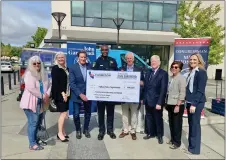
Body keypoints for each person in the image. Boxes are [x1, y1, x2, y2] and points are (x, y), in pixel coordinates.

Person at [20, 55, 51, 150]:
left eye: (38, 63)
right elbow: (30, 88)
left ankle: (36, 140)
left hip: (42, 101)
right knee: (33, 123)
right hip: (31, 102)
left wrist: (47, 95)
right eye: (34, 63)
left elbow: (49, 84)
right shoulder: (29, 74)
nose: (37, 65)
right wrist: (42, 96)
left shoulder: (43, 73)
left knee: (38, 122)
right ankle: (32, 144)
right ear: (31, 64)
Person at [93, 45, 118, 140]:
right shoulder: (97, 62)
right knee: (101, 114)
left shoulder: (113, 61)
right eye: (103, 50)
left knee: (111, 113)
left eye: (106, 50)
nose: (104, 51)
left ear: (108, 51)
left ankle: (110, 131)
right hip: (100, 93)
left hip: (111, 93)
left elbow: (117, 74)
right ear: (100, 51)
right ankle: (101, 131)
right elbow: (93, 76)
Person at [118, 52, 144, 140]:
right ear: (126, 59)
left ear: (133, 59)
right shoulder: (121, 69)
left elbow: (143, 82)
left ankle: (133, 131)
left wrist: (141, 83)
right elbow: (117, 80)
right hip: (124, 96)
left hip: (134, 96)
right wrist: (120, 74)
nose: (129, 60)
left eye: (130, 58)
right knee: (124, 114)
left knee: (134, 114)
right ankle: (125, 130)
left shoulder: (139, 69)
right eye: (127, 58)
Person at [185, 53, 207, 155]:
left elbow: (200, 90)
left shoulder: (201, 72)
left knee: (195, 125)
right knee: (191, 124)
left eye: (194, 60)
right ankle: (191, 146)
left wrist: (194, 104)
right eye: (191, 60)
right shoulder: (192, 72)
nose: (192, 61)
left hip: (196, 103)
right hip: (190, 102)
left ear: (199, 61)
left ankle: (194, 149)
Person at [143, 55, 168, 144]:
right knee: (149, 118)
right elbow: (145, 87)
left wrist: (160, 103)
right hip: (148, 100)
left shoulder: (163, 73)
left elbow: (163, 90)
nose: (153, 63)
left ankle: (160, 135)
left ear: (159, 63)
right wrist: (143, 98)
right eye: (152, 61)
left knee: (158, 119)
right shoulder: (148, 72)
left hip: (157, 101)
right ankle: (150, 133)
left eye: (155, 61)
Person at [69, 50, 92, 139]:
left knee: (88, 113)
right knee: (76, 114)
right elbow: (72, 83)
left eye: (84, 57)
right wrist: (80, 94)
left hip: (88, 94)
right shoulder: (73, 68)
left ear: (86, 58)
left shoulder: (90, 67)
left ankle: (86, 129)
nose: (83, 59)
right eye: (81, 57)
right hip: (77, 95)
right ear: (78, 58)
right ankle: (78, 130)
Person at [166, 61, 186, 149]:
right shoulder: (170, 78)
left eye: (176, 67)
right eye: (172, 67)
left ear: (180, 69)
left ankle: (177, 142)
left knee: (177, 124)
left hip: (177, 105)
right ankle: (173, 139)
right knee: (171, 123)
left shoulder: (181, 78)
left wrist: (178, 105)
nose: (173, 68)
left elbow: (182, 93)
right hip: (170, 103)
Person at [51, 52, 70, 142]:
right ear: (56, 59)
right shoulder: (55, 68)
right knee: (63, 114)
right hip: (60, 94)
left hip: (67, 93)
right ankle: (59, 133)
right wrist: (63, 94)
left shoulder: (65, 68)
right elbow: (56, 83)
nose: (61, 59)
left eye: (62, 57)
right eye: (59, 58)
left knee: (63, 113)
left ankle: (63, 131)